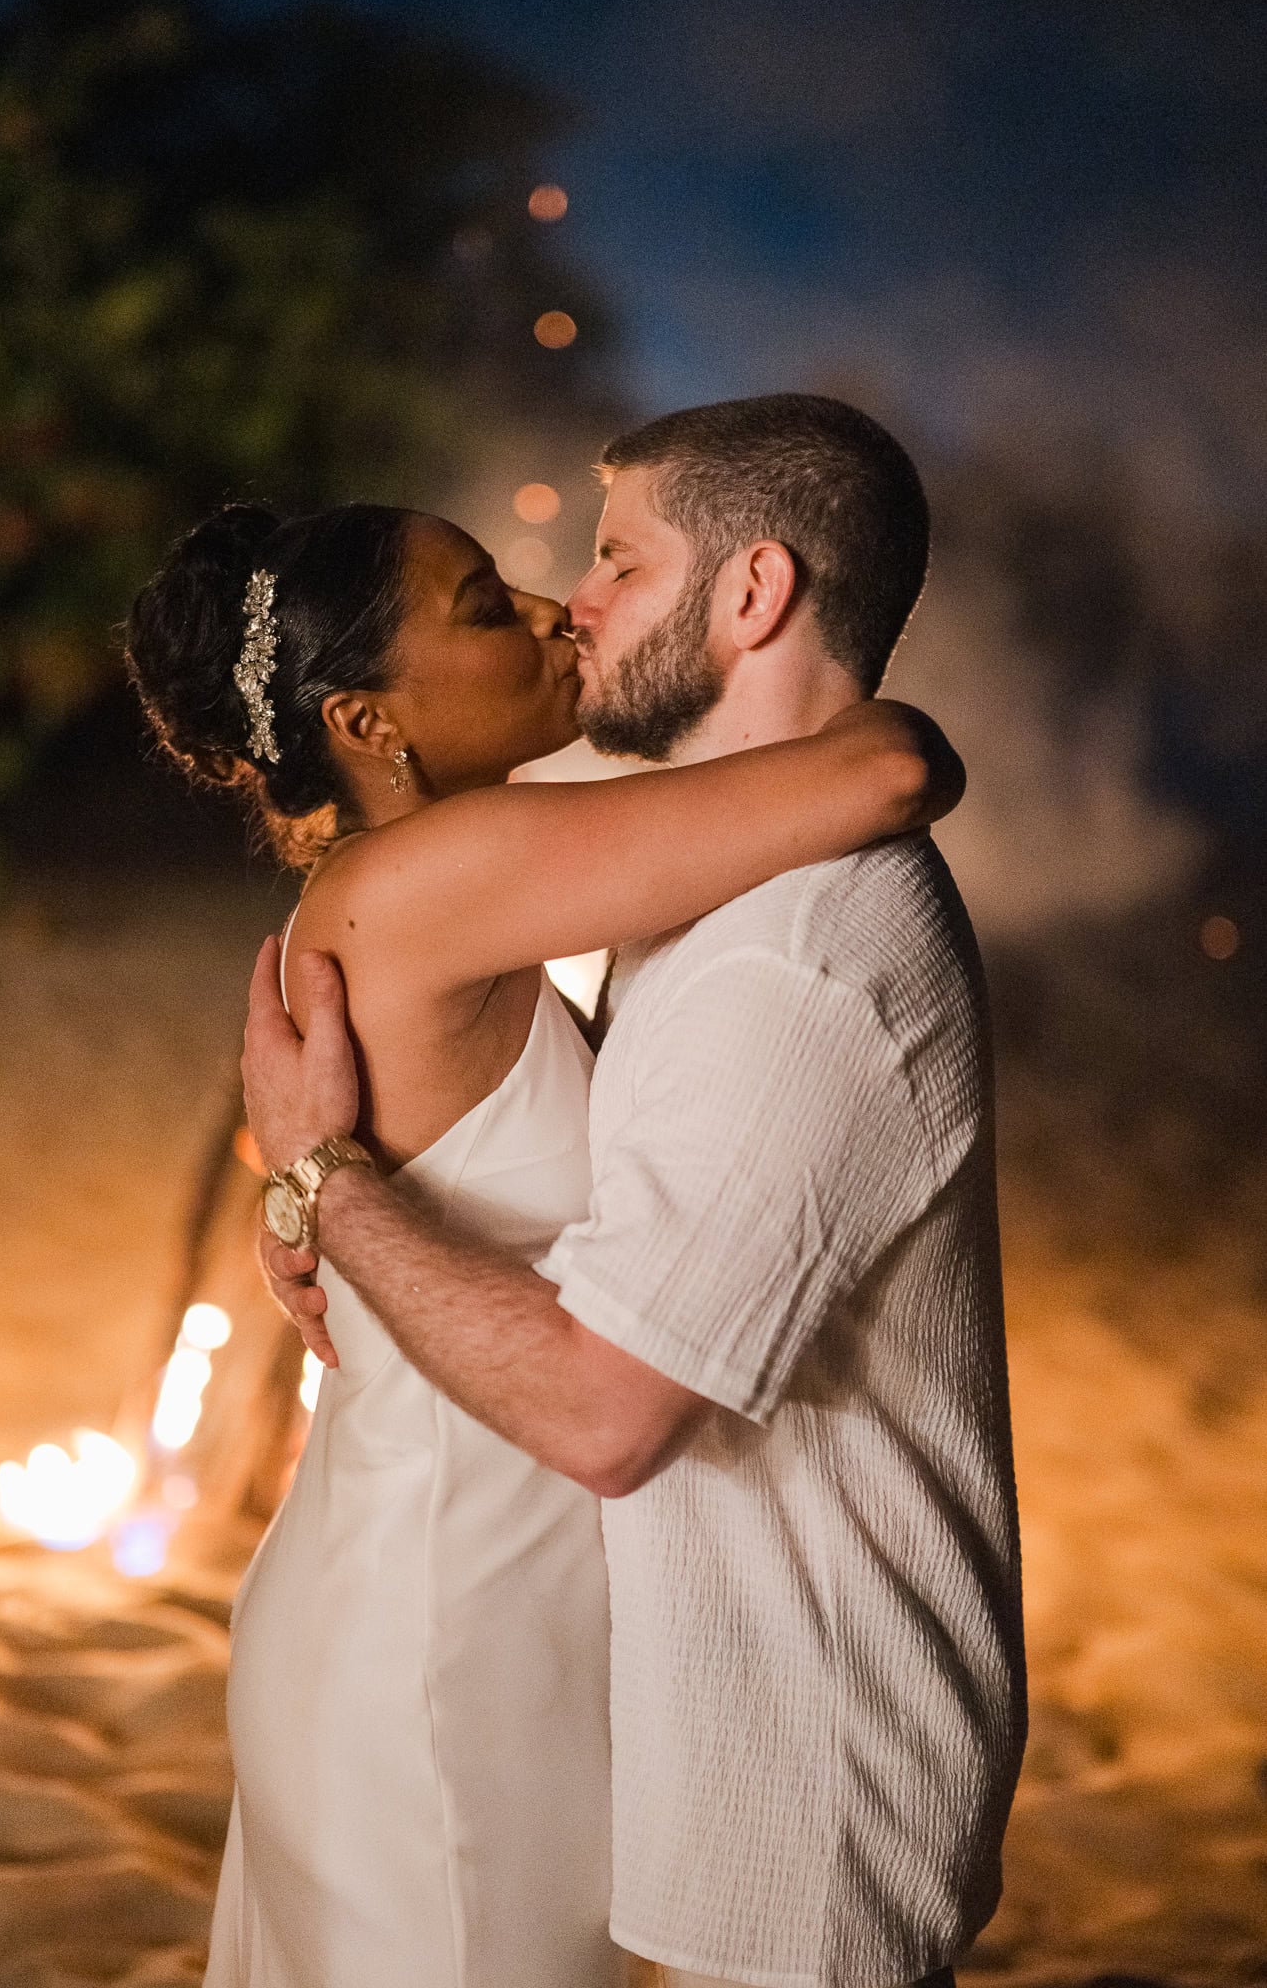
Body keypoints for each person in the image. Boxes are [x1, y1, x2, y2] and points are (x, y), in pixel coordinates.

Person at [123, 455, 963, 1988]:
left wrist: (312, 1193)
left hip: (448, 1578)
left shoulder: (427, 871)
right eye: (478, 606)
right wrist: (881, 701)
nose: (544, 609)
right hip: (441, 1624)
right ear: (368, 726)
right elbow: (886, 774)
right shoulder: (444, 871)